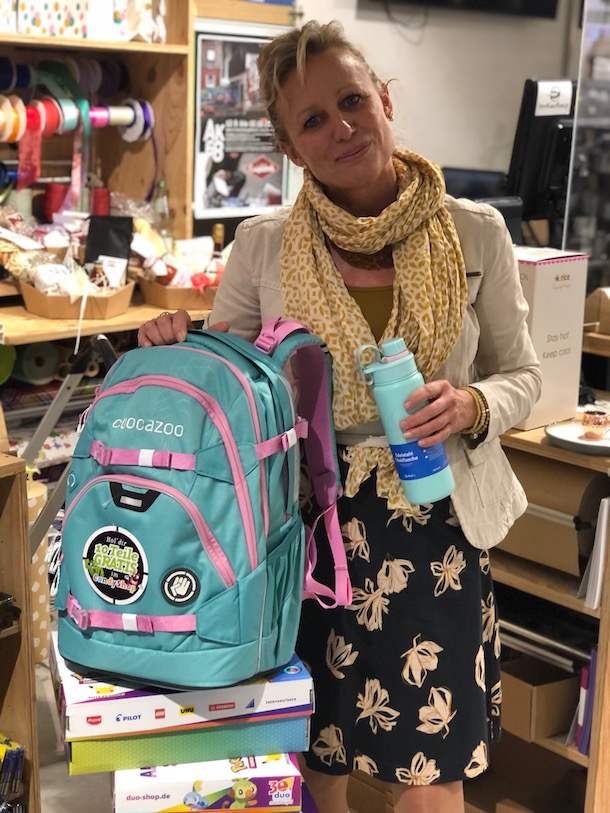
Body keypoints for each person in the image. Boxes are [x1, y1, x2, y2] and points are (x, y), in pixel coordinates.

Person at [138, 20, 541, 813]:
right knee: (313, 752)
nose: (342, 127)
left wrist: (472, 403)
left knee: (430, 767)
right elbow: (227, 385)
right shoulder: (264, 245)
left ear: (385, 100)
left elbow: (524, 375)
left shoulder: (474, 231)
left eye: (352, 101)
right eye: (313, 119)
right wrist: (177, 346)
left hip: (436, 525)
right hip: (304, 530)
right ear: (292, 147)